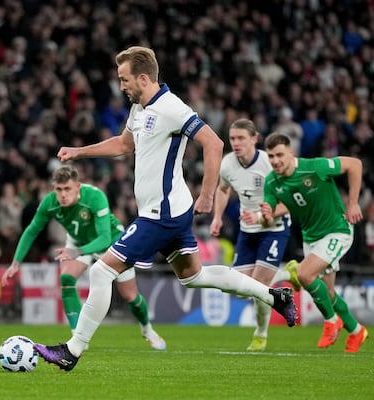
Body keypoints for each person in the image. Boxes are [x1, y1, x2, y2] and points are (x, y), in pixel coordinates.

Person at [33, 46, 297, 371]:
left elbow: (213, 143)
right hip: (166, 210)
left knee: (102, 271)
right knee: (194, 277)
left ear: (143, 77)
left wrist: (208, 195)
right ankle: (275, 297)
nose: (121, 86)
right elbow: (123, 144)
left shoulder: (172, 108)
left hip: (163, 213)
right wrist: (79, 152)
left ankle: (72, 350)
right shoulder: (139, 108)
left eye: (125, 79)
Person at [1, 165, 166, 350]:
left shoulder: (95, 197)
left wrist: (75, 252)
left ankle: (147, 329)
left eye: (67, 189)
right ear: (53, 188)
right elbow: (32, 230)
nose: (63, 194)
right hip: (78, 241)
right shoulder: (50, 202)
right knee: (66, 278)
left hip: (112, 242)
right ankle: (77, 338)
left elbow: (103, 238)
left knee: (130, 296)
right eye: (59, 189)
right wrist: (15, 263)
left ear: (77, 187)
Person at [260, 132, 368, 353]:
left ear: (291, 153)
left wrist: (353, 203)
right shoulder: (272, 182)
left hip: (337, 229)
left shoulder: (315, 167)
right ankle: (357, 332)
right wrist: (264, 216)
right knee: (327, 293)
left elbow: (355, 165)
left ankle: (331, 322)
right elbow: (269, 215)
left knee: (304, 274)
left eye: (279, 155)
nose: (275, 161)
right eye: (271, 156)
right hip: (311, 237)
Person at [209, 118, 292, 351]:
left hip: (274, 229)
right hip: (247, 231)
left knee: (259, 285)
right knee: (239, 287)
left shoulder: (269, 163)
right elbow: (223, 189)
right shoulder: (227, 164)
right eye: (232, 138)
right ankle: (285, 273)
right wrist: (217, 217)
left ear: (254, 139)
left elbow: (289, 199)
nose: (236, 143)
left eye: (241, 138)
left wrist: (261, 216)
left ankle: (261, 334)